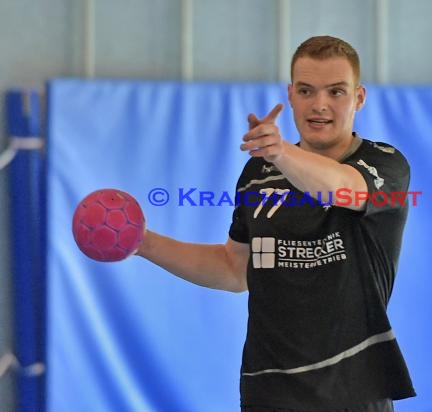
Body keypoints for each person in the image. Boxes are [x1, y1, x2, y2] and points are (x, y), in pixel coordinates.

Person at [137, 35, 415, 411]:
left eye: (336, 92)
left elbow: (340, 189)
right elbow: (234, 268)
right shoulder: (258, 174)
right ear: (291, 94)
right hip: (268, 391)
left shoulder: (385, 164)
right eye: (306, 90)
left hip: (352, 389)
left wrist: (281, 153)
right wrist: (141, 242)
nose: (319, 105)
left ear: (359, 98)